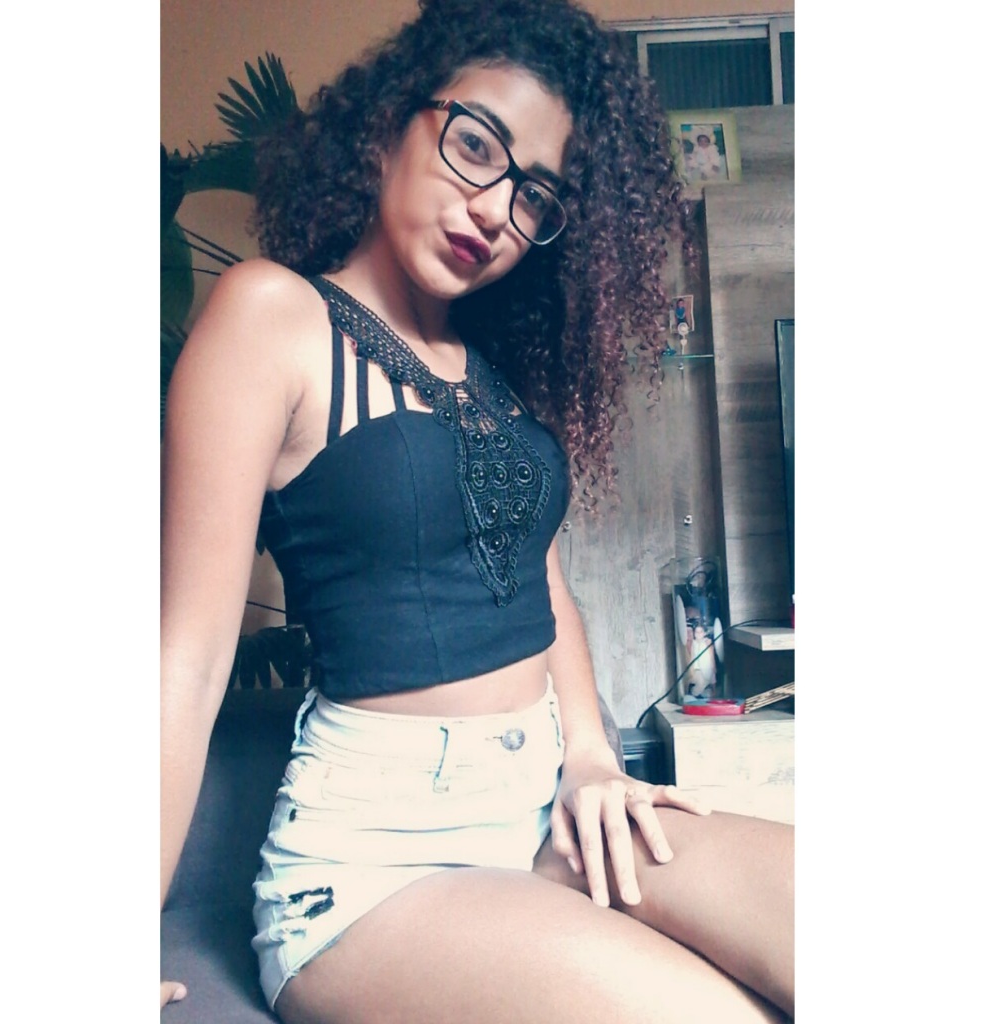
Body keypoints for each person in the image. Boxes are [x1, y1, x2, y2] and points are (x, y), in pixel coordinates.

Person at [161, 1, 794, 1021]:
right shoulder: (272, 315)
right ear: (388, 124)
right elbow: (186, 662)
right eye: (475, 147)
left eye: (533, 193)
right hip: (371, 865)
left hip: (544, 813)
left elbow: (545, 586)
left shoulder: (487, 371)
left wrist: (590, 758)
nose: (495, 210)